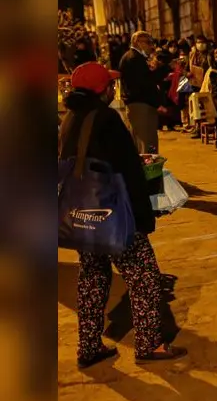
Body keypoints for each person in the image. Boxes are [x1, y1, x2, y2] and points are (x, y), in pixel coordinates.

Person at [60, 62, 187, 367]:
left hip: (83, 213)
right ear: (101, 90)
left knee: (92, 276)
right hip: (114, 215)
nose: (113, 89)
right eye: (109, 85)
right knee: (143, 275)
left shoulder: (70, 118)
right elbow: (128, 170)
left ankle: (88, 346)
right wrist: (143, 216)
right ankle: (149, 344)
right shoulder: (106, 118)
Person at [118, 31, 161, 154]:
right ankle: (148, 171)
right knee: (146, 144)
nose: (151, 46)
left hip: (142, 105)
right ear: (138, 43)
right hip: (140, 105)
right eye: (148, 43)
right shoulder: (134, 58)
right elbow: (145, 83)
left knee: (146, 142)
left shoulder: (136, 58)